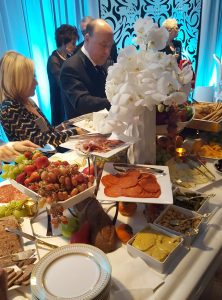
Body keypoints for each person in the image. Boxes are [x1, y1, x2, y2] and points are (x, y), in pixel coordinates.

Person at [0, 51, 79, 148]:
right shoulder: (10, 109)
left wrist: (64, 127)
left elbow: (47, 132)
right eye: (31, 78)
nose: (36, 83)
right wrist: (75, 132)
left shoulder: (28, 101)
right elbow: (41, 141)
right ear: (18, 81)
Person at [60, 18, 113, 118]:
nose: (107, 52)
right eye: (103, 45)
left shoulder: (102, 61)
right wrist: (116, 102)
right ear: (87, 38)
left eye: (110, 46)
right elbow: (82, 103)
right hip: (82, 130)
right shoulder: (70, 67)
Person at [47, 24, 79, 126]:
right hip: (61, 104)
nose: (75, 47)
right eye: (73, 44)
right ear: (63, 43)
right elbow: (64, 83)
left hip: (69, 101)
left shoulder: (69, 56)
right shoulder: (53, 60)